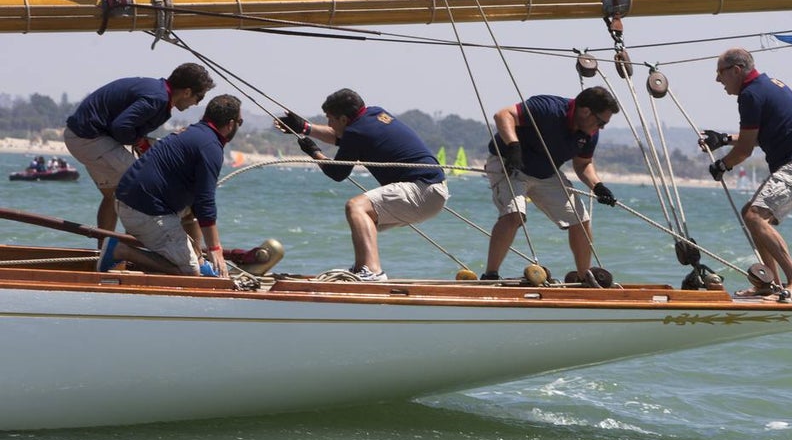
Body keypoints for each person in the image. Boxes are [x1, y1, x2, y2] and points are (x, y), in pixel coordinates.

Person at [278, 88, 449, 281]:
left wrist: (314, 152)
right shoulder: (373, 114)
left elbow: (337, 172)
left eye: (330, 118)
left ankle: (372, 271)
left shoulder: (355, 132)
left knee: (356, 207)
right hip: (432, 191)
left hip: (422, 189)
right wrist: (304, 127)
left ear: (343, 119)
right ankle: (362, 269)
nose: (328, 123)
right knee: (364, 220)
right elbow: (341, 138)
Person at [699, 48, 792, 301]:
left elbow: (745, 150)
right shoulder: (767, 85)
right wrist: (723, 139)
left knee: (755, 216)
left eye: (719, 73)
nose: (717, 80)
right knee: (752, 216)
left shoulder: (750, 95)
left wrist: (723, 165)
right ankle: (770, 284)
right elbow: (757, 136)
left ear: (736, 70)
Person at [482, 85, 620, 284]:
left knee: (581, 221)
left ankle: (584, 280)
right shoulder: (548, 107)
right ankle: (490, 275)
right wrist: (513, 146)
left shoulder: (589, 133)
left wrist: (598, 186)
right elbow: (503, 115)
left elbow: (583, 164)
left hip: (545, 173)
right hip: (509, 164)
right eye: (600, 122)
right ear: (585, 111)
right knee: (514, 216)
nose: (601, 128)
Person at [97, 94, 243, 278]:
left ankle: (195, 258)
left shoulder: (192, 133)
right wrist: (215, 249)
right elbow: (205, 201)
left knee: (190, 212)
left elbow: (199, 203)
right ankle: (121, 250)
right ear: (230, 124)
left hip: (129, 199)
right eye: (240, 122)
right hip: (143, 211)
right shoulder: (211, 147)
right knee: (189, 271)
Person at [64, 64, 215, 233]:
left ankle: (103, 252)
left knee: (112, 196)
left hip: (81, 135)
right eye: (199, 98)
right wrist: (140, 143)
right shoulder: (157, 99)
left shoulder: (156, 90)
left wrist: (139, 141)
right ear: (187, 92)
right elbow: (121, 127)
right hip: (89, 139)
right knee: (146, 185)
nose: (196, 104)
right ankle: (130, 249)